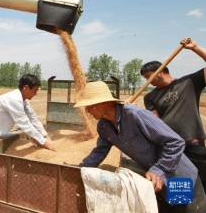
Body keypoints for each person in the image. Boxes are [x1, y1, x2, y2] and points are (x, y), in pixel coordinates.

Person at [75, 81, 206, 212]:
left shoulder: (134, 115)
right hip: (155, 184)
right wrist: (77, 170)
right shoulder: (104, 126)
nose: (87, 110)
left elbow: (175, 142)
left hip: (177, 177)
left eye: (90, 106)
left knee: (186, 210)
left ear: (103, 103)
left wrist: (159, 170)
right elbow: (99, 152)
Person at [140, 37, 206, 190]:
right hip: (171, 148)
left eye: (148, 76)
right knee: (181, 188)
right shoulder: (149, 97)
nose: (147, 81)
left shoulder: (189, 82)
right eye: (145, 79)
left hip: (193, 144)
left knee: (202, 183)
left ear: (161, 72)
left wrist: (195, 48)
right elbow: (154, 121)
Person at [0, 74, 56, 152]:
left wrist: (45, 136)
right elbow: (25, 124)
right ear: (26, 88)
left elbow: (33, 119)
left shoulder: (24, 100)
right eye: (34, 91)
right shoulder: (14, 100)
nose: (35, 94)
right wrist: (44, 143)